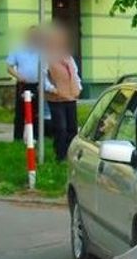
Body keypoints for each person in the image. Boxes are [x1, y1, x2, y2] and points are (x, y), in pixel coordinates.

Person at [44, 23, 82, 161]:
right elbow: (43, 79)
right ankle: (60, 155)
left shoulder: (68, 57)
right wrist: (53, 89)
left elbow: (75, 74)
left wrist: (78, 87)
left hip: (71, 97)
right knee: (61, 127)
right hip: (56, 98)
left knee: (72, 128)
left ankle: (70, 154)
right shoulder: (46, 58)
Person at [5, 26, 43, 141]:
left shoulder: (42, 51)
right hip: (23, 85)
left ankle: (36, 137)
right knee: (20, 113)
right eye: (32, 36)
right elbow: (9, 67)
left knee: (37, 112)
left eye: (36, 36)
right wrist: (18, 76)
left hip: (38, 84)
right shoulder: (18, 49)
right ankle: (18, 138)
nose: (34, 38)